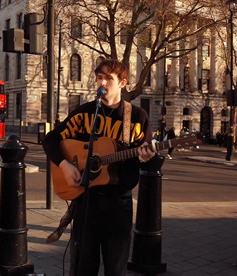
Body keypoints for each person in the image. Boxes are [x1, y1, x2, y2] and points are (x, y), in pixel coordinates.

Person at [42, 59, 155, 275]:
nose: (102, 83)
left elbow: (148, 152)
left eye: (108, 78)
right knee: (83, 266)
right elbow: (51, 140)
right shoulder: (85, 113)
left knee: (115, 267)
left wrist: (145, 156)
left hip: (118, 203)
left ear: (122, 83)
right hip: (87, 201)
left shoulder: (137, 117)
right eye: (99, 78)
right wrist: (65, 165)